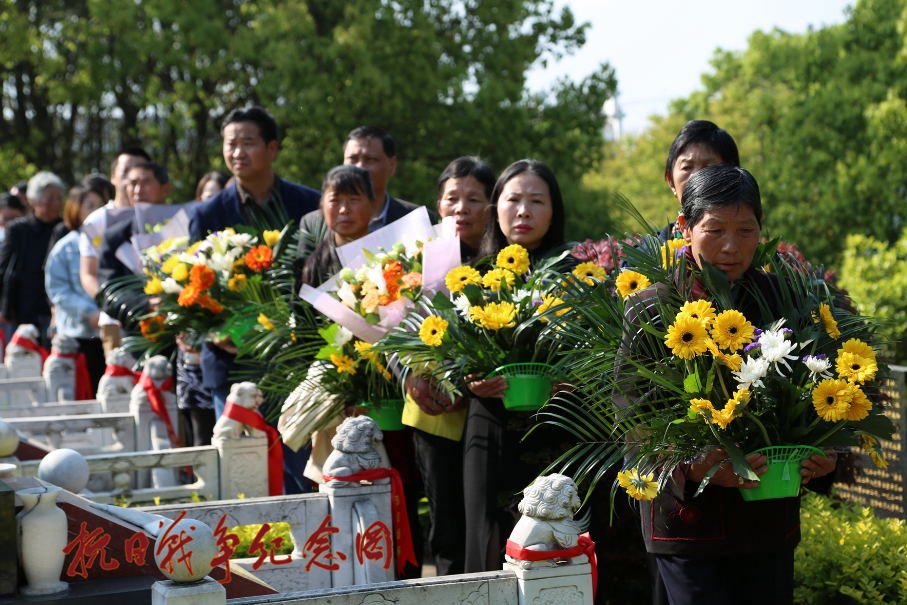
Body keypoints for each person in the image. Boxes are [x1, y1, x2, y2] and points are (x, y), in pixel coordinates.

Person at [618, 164, 836, 605]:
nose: (731, 247)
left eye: (746, 230)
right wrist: (693, 467)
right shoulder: (651, 307)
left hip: (766, 514)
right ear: (685, 227)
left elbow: (823, 387)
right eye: (715, 230)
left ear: (761, 227)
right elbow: (632, 412)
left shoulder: (783, 299)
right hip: (688, 520)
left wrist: (826, 455)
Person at [188, 106, 321, 495]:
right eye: (230, 143)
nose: (237, 152)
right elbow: (193, 284)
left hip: (294, 358)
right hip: (232, 359)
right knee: (239, 472)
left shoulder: (307, 204)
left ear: (272, 148)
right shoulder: (208, 212)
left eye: (248, 142)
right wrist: (215, 331)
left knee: (298, 470)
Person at [462, 159, 572, 573]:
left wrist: (574, 378)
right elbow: (450, 357)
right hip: (490, 421)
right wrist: (468, 378)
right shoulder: (471, 277)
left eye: (537, 201)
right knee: (487, 536)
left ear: (553, 211)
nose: (523, 210)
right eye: (513, 200)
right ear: (496, 209)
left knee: (552, 542)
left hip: (556, 424)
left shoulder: (577, 274)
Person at [401, 156, 496, 576]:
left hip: (488, 408)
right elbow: (392, 330)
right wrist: (409, 375)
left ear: (491, 206)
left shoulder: (506, 260)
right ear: (437, 204)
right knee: (445, 525)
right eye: (452, 198)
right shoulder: (416, 260)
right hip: (432, 409)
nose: (461, 208)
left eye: (474, 199)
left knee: (485, 520)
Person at [298, 126, 437, 250]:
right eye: (353, 159)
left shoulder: (419, 219)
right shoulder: (313, 223)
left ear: (392, 165)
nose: (359, 167)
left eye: (370, 159)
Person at [45, 183, 110, 394]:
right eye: (89, 205)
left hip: (112, 331)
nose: (96, 210)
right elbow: (58, 290)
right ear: (74, 209)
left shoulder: (114, 241)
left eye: (101, 204)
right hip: (78, 335)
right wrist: (89, 311)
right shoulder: (64, 247)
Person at [97, 162, 170, 326]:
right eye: (132, 184)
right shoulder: (115, 237)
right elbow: (108, 293)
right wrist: (146, 305)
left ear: (165, 189)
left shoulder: (186, 227)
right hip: (138, 331)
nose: (137, 190)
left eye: (145, 183)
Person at [0, 172, 65, 348]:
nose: (56, 203)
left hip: (57, 309)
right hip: (24, 309)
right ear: (33, 199)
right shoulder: (18, 229)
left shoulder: (65, 229)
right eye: (50, 198)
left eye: (59, 198)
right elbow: (3, 268)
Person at [79, 147, 151, 299]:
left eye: (139, 172)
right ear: (113, 176)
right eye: (126, 171)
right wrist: (109, 303)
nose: (132, 177)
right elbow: (88, 273)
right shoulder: (95, 221)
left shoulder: (161, 217)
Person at [660, 120, 740, 242]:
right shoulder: (642, 253)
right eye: (686, 167)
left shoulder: (756, 253)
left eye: (708, 167)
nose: (696, 176)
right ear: (671, 182)